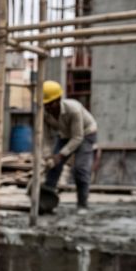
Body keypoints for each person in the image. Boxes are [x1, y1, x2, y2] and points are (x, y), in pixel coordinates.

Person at [42, 80, 98, 214]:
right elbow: (46, 138)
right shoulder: (44, 113)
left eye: (50, 104)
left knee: (80, 169)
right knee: (53, 168)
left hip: (85, 134)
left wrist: (60, 155)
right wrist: (48, 156)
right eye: (45, 104)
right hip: (65, 135)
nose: (47, 107)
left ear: (58, 100)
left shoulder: (73, 109)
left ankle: (82, 205)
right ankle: (46, 203)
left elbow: (77, 137)